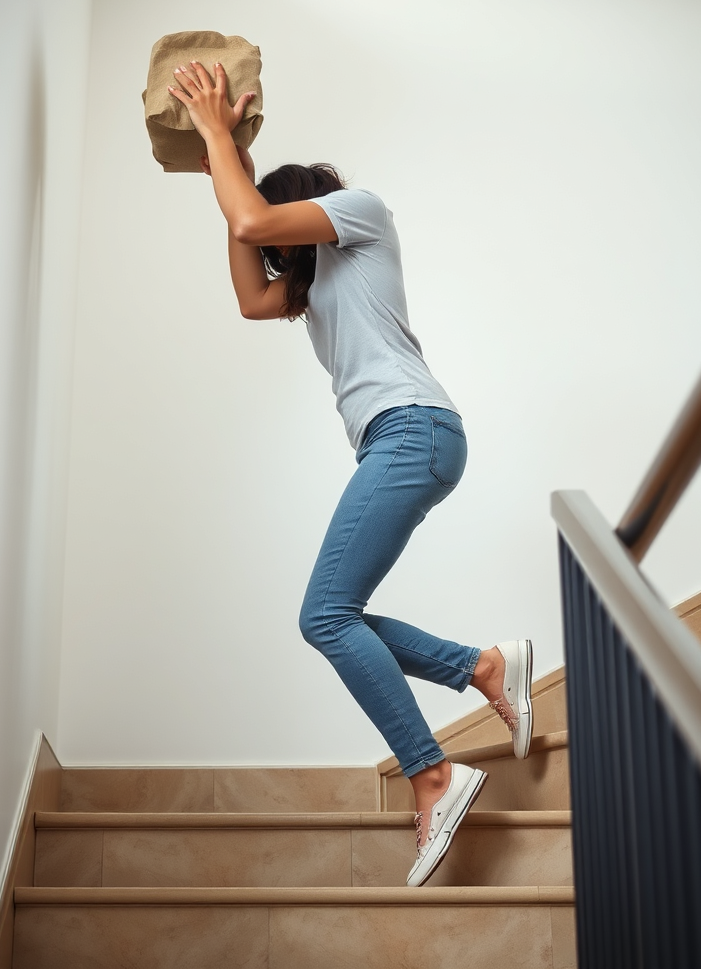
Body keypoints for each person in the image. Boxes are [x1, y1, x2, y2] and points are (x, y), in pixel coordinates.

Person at [168, 60, 534, 886]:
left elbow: (256, 221)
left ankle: (435, 774)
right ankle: (483, 667)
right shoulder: (309, 279)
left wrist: (225, 143)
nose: (278, 247)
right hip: (402, 442)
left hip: (415, 430)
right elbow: (250, 296)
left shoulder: (361, 215)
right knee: (336, 614)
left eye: (284, 226)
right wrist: (221, 174)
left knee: (325, 615)